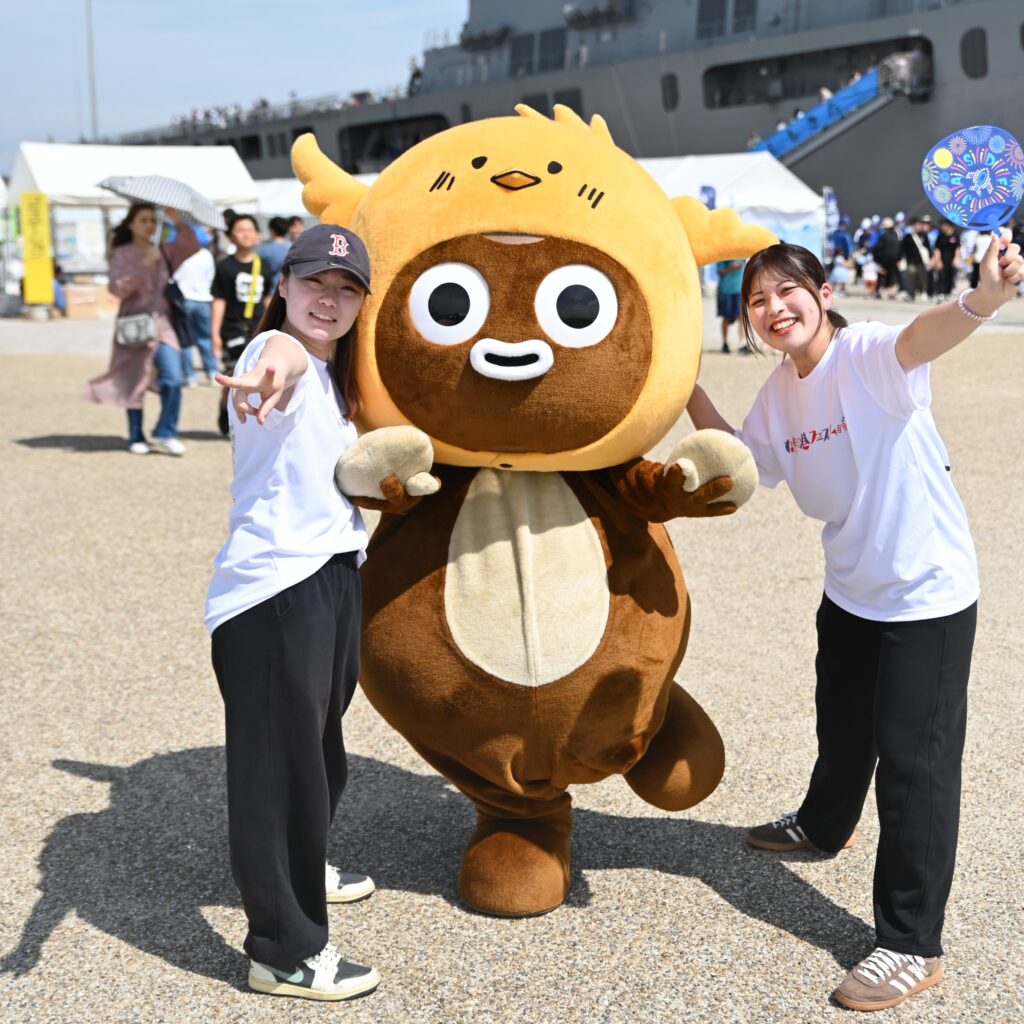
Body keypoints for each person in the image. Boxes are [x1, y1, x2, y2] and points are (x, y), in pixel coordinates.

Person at [686, 236, 1023, 1012]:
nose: (774, 310)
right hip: (852, 590)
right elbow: (741, 462)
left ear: (824, 291)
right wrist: (682, 387)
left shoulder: (867, 355)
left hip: (925, 597)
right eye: (757, 301)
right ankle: (823, 824)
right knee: (840, 724)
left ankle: (910, 943)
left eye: (786, 291)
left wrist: (983, 298)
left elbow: (925, 334)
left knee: (915, 767)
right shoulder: (780, 390)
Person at [205, 223, 380, 1002]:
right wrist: (273, 360)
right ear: (284, 287)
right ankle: (284, 948)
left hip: (332, 572)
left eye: (346, 290)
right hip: (276, 589)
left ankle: (305, 867)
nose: (330, 300)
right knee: (279, 771)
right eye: (315, 284)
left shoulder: (335, 373)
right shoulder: (276, 355)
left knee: (319, 748)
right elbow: (271, 358)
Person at [83, 203, 199, 455]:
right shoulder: (122, 252)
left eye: (152, 220)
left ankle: (166, 431)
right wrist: (141, 265)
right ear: (131, 224)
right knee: (133, 379)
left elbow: (191, 247)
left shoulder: (164, 250)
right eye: (143, 220)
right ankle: (135, 433)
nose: (149, 225)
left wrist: (177, 221)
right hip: (133, 325)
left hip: (164, 324)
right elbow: (116, 288)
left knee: (173, 378)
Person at [211, 214, 274, 435]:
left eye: (250, 229)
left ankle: (248, 419)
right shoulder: (225, 266)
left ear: (257, 235)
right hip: (232, 329)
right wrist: (215, 334)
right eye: (240, 230)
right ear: (230, 236)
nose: (246, 234)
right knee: (233, 374)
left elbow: (267, 297)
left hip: (259, 328)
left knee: (255, 373)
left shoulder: (263, 265)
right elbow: (219, 300)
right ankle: (225, 409)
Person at [172, 235, 218, 386]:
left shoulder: (179, 253)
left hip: (184, 299)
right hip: (204, 299)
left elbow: (174, 277)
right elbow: (211, 277)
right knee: (205, 337)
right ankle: (212, 372)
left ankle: (190, 376)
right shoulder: (206, 254)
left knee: (185, 340)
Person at [715, 257, 746, 353]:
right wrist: (731, 267)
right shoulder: (723, 254)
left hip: (739, 289)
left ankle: (743, 343)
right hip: (725, 289)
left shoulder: (742, 254)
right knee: (726, 318)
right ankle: (725, 343)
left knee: (742, 317)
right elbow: (719, 272)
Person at [257, 216, 291, 289]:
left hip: (269, 290)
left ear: (271, 230)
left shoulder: (263, 250)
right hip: (290, 290)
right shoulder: (294, 248)